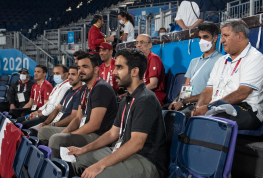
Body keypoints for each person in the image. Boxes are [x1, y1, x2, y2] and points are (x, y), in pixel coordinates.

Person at [67, 48, 168, 178]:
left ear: (135, 71)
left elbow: (136, 143)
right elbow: (112, 133)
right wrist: (83, 149)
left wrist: (100, 164)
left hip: (146, 160)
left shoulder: (145, 99)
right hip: (123, 151)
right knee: (77, 160)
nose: (114, 72)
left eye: (119, 68)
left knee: (99, 175)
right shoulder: (127, 97)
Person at [44, 53, 118, 159]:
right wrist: (65, 132)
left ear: (96, 69)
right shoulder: (84, 89)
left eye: (85, 67)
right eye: (79, 67)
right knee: (46, 133)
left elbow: (94, 125)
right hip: (85, 130)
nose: (80, 70)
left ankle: (58, 172)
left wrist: (71, 134)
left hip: (98, 135)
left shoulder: (101, 88)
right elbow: (78, 118)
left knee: (56, 140)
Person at [192, 19, 263, 130]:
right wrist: (198, 108)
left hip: (246, 109)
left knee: (211, 122)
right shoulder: (221, 61)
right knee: (189, 117)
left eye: (226, 36)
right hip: (218, 107)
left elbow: (242, 93)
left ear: (239, 36)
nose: (221, 40)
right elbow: (208, 90)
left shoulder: (255, 58)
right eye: (222, 36)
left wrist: (210, 107)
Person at [164, 22, 222, 119]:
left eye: (205, 37)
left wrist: (183, 102)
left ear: (215, 38)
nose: (201, 41)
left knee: (177, 118)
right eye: (200, 37)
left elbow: (211, 93)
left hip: (201, 105)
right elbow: (187, 86)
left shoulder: (220, 61)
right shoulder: (194, 62)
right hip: (186, 103)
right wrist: (176, 101)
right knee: (161, 112)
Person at [16, 65, 71, 129]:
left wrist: (38, 114)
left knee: (23, 125)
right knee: (19, 119)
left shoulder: (66, 87)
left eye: (57, 73)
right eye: (54, 73)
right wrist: (37, 112)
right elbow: (48, 103)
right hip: (44, 112)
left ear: (66, 74)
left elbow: (55, 107)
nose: (55, 75)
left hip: (51, 115)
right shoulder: (57, 86)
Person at [37, 65, 82, 144]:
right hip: (57, 122)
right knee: (39, 127)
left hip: (66, 126)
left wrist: (53, 125)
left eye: (73, 74)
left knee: (42, 131)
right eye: (69, 74)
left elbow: (73, 116)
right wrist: (46, 122)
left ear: (80, 76)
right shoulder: (69, 90)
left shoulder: (80, 93)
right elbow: (57, 108)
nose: (70, 77)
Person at [136, 34, 166, 105]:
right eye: (137, 43)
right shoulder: (139, 61)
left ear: (150, 45)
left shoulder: (154, 58)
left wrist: (136, 92)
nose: (138, 45)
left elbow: (153, 84)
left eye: (142, 42)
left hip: (154, 96)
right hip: (142, 95)